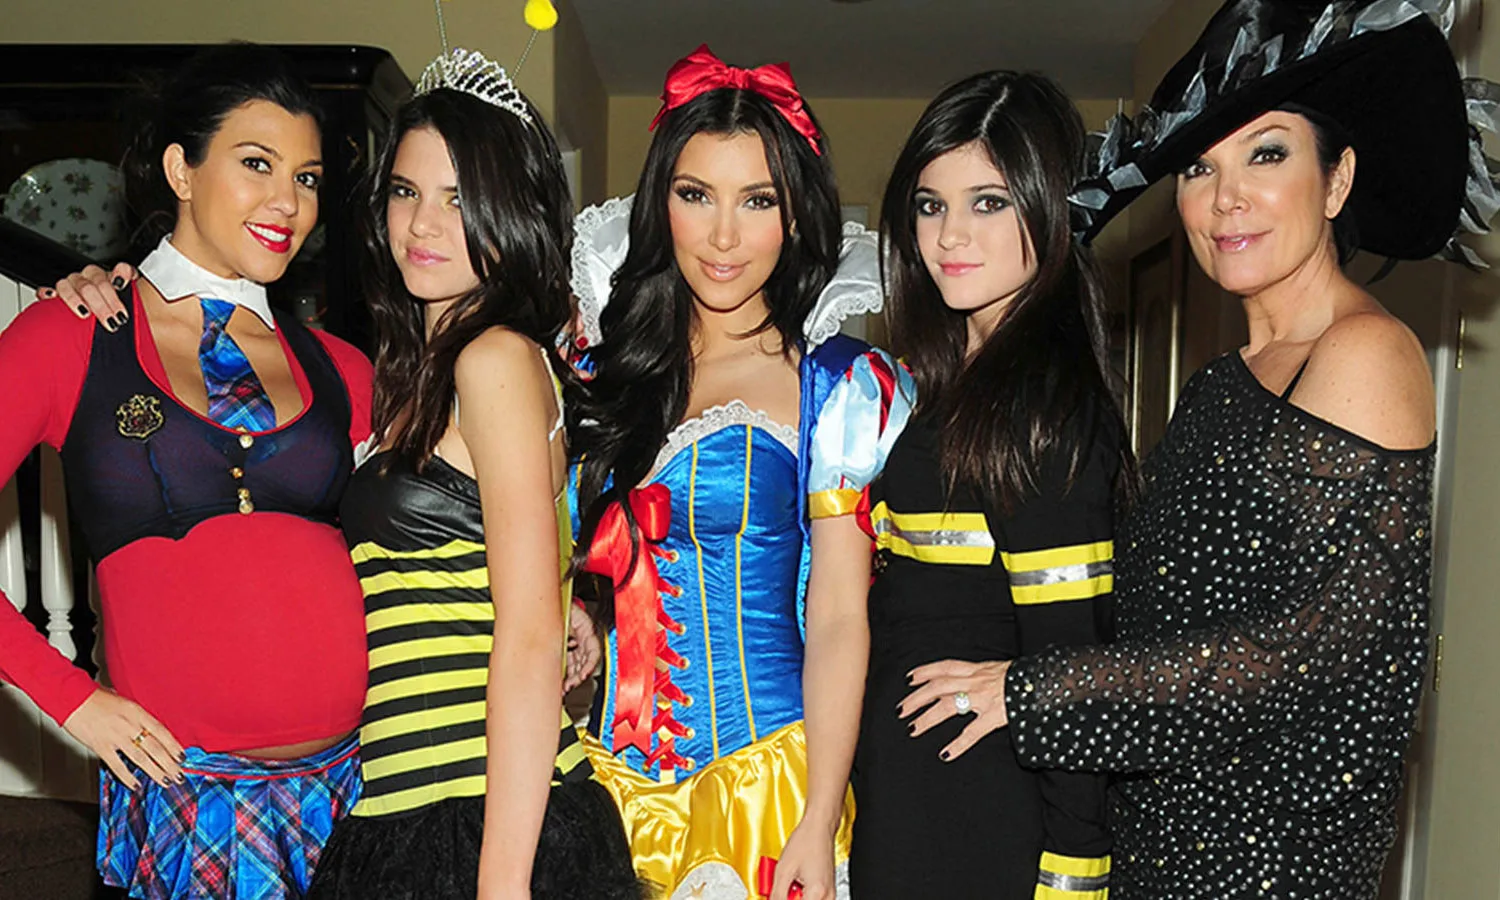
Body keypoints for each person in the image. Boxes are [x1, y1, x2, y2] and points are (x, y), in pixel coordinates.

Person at [896, 1, 1497, 896]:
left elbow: (1313, 653)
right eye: (1198, 167)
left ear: (1336, 181)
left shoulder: (1365, 351)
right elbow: (1151, 607)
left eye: (1266, 155)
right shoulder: (1225, 380)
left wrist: (1030, 690)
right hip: (1162, 842)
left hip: (1269, 860)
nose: (1225, 198)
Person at [0, 43, 371, 899]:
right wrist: (71, 698)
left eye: (308, 179)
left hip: (353, 795)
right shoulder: (71, 334)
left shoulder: (344, 368)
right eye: (257, 164)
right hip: (187, 806)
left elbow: (435, 533)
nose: (289, 202)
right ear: (181, 169)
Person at [277, 48, 636, 900]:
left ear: (509, 212)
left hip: (475, 820)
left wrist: (501, 883)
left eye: (459, 199)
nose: (423, 224)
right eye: (407, 192)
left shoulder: (493, 358)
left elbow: (529, 637)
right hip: (408, 806)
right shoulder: (423, 371)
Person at [565, 45, 913, 900]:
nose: (724, 236)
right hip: (602, 787)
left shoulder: (831, 385)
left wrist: (819, 815)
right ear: (662, 205)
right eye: (696, 196)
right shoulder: (603, 375)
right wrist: (582, 611)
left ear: (795, 216)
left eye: (758, 200)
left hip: (767, 789)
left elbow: (840, 617)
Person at [849, 70, 1127, 899]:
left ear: (1049, 207)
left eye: (989, 203)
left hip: (980, 816)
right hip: (911, 802)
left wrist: (1074, 875)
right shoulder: (944, 382)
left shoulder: (1044, 405)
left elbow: (1076, 659)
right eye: (930, 205)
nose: (950, 236)